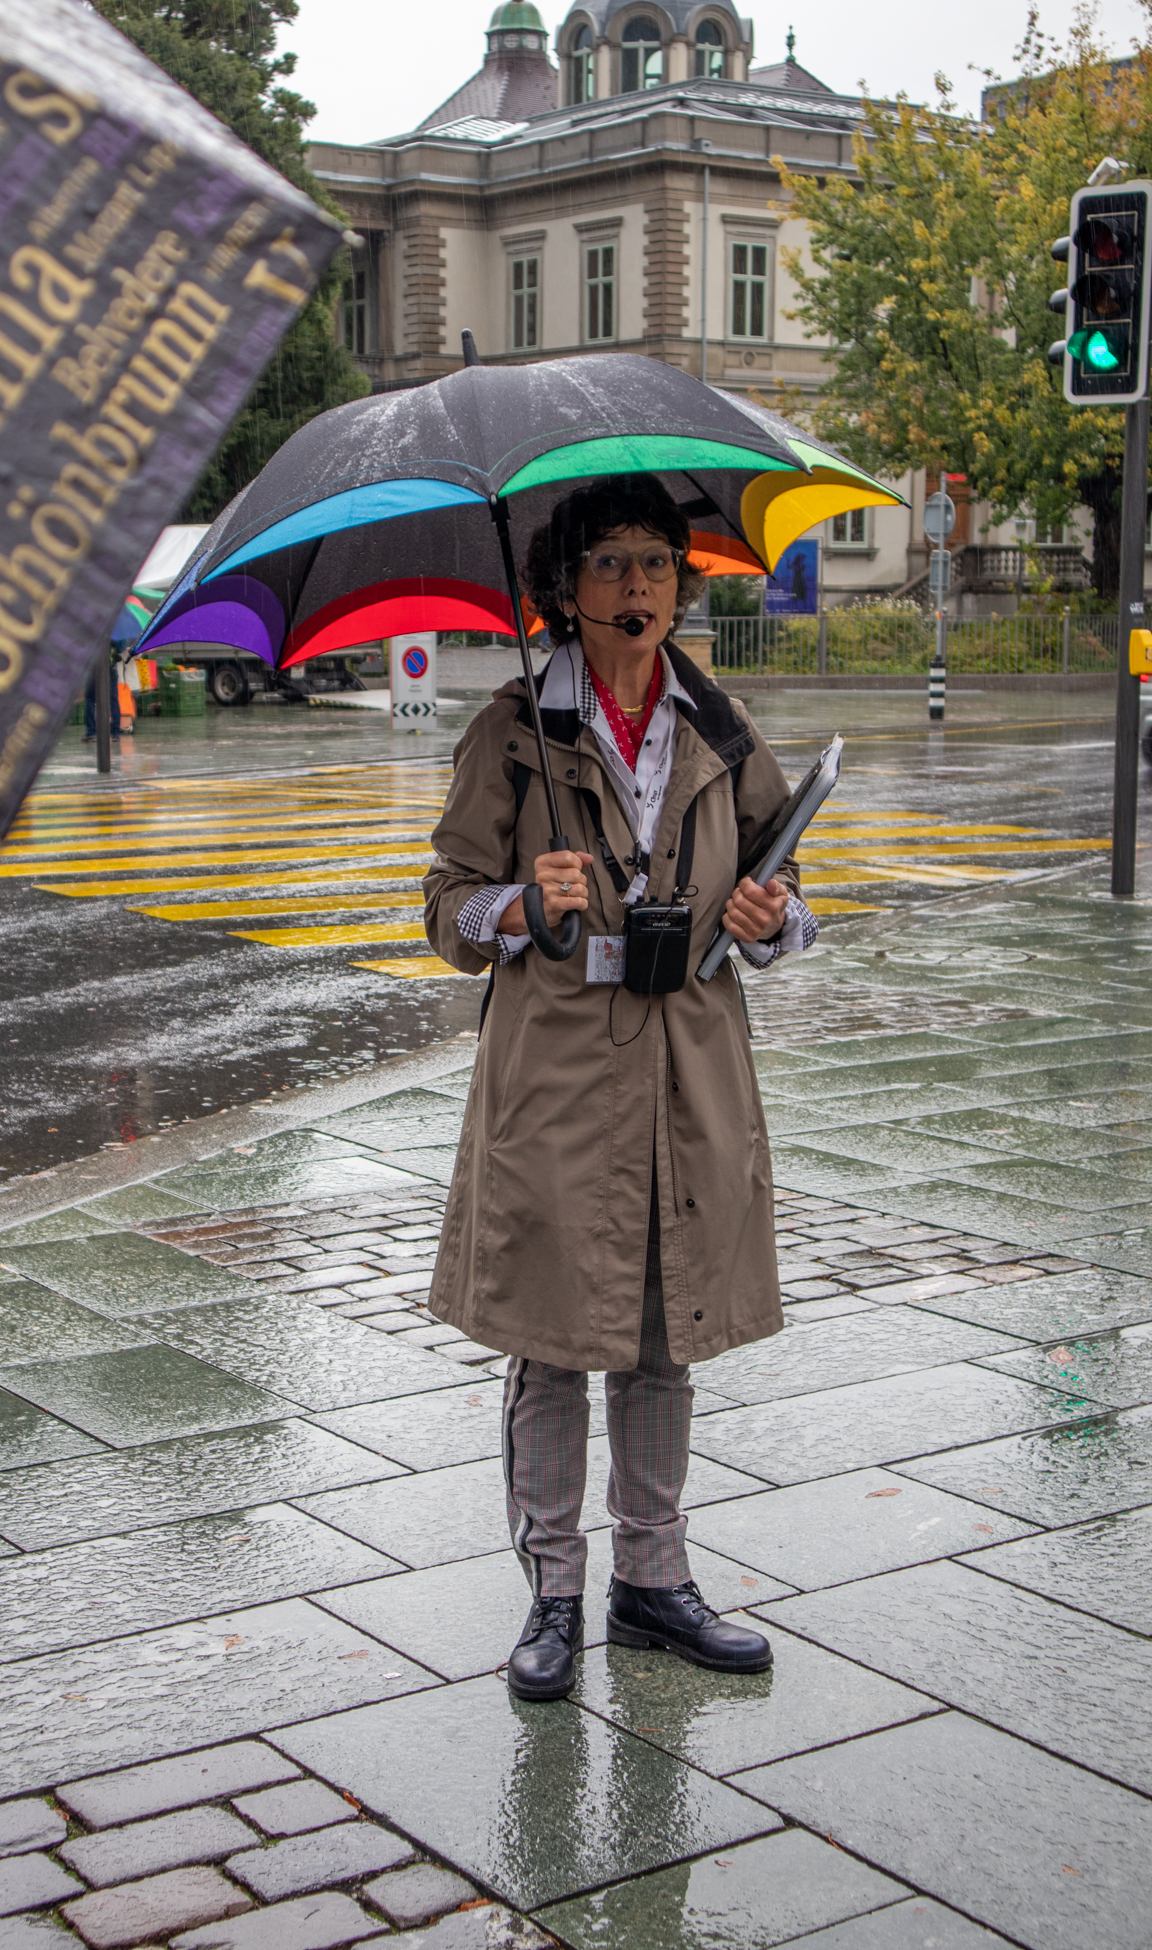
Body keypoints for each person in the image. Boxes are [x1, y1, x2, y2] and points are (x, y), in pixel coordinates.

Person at [424, 474, 816, 1702]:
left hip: (690, 1063)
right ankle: (552, 1587)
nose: (636, 586)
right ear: (562, 591)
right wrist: (522, 903)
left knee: (664, 1330)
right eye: (607, 565)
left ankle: (655, 1577)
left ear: (680, 584)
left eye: (654, 563)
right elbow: (444, 905)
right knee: (551, 1338)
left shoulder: (719, 722)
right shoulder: (510, 730)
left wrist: (768, 918)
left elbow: (787, 883)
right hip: (554, 1074)